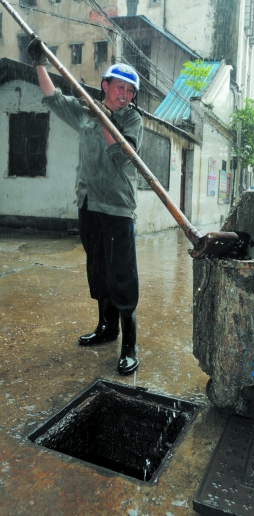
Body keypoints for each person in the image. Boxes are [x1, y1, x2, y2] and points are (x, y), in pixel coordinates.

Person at [27, 37, 143, 376]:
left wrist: (103, 116)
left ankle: (129, 344)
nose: (124, 94)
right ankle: (107, 329)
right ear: (105, 86)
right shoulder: (87, 112)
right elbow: (53, 99)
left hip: (118, 209)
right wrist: (39, 64)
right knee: (99, 272)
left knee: (122, 278)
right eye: (119, 87)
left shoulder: (132, 120)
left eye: (130, 91)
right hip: (89, 205)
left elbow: (122, 155)